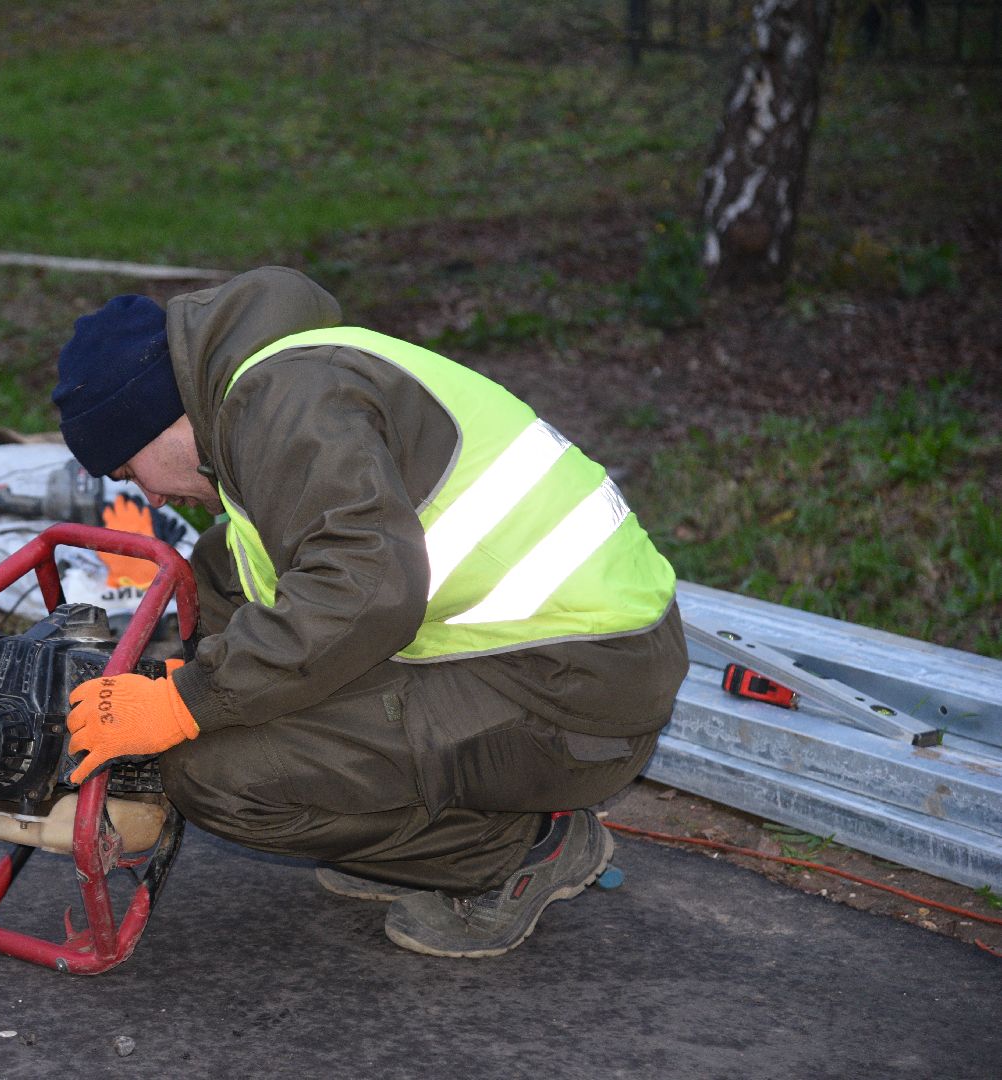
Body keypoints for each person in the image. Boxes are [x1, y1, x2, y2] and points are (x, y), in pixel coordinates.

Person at [51, 266, 688, 958]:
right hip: (572, 655)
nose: (145, 494)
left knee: (216, 774)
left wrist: (185, 702)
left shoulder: (280, 403)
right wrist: (178, 676)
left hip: (577, 691)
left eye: (126, 472)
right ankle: (405, 831)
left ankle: (517, 850)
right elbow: (275, 581)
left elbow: (362, 588)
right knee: (224, 585)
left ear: (150, 421)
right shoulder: (277, 385)